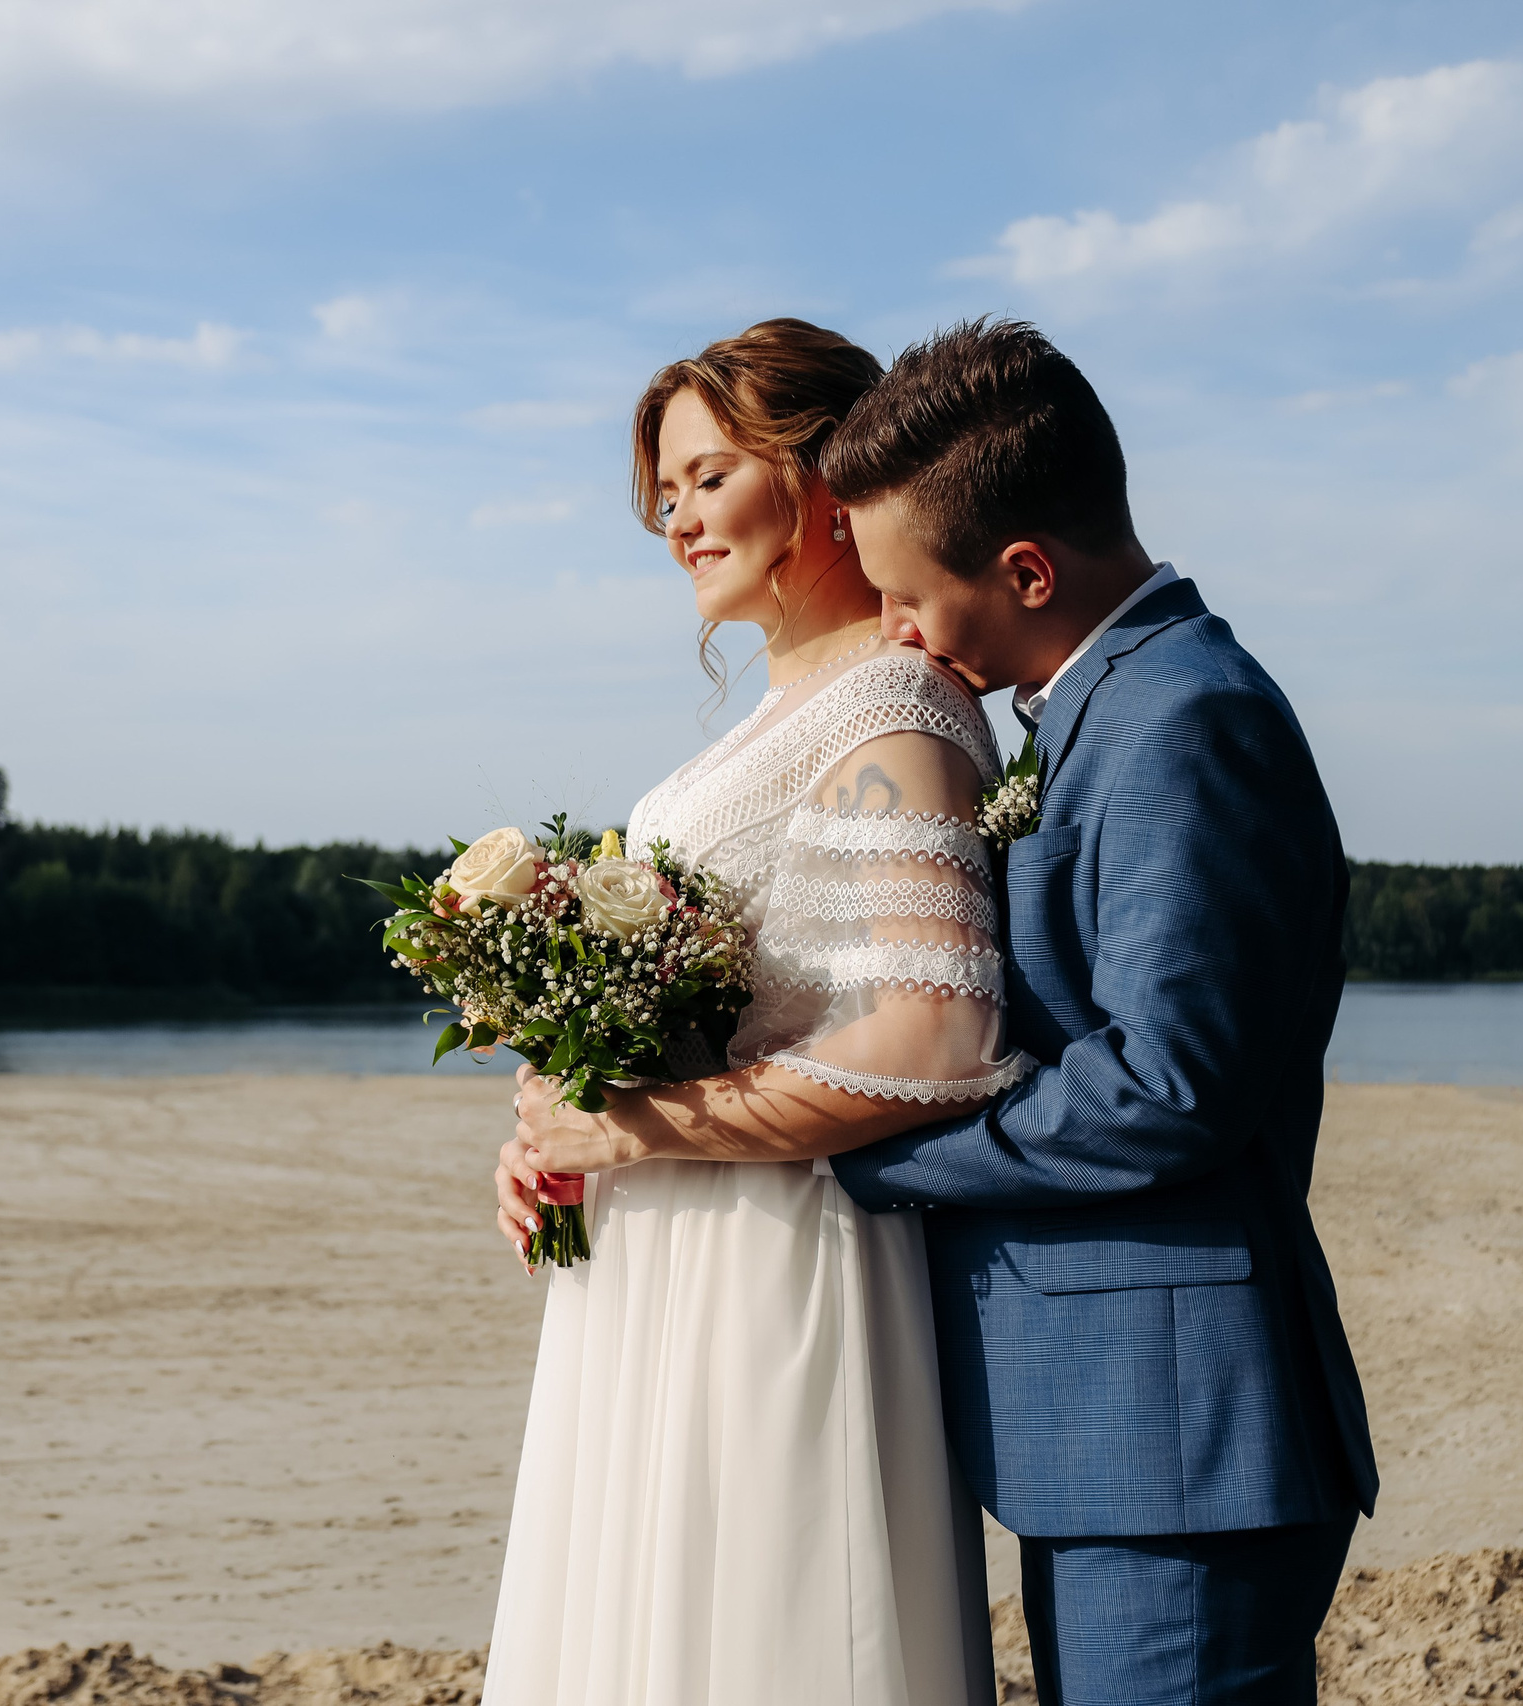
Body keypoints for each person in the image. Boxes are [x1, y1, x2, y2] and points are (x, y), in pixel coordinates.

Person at [508, 319, 1378, 1705]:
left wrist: (857, 1147)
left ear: (1019, 566)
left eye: (913, 589)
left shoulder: (1182, 716)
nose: (907, 628)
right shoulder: (1090, 714)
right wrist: (579, 1095)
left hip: (1181, 1418)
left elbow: (1165, 1083)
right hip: (1102, 1415)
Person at [480, 318, 1014, 1706]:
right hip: (659, 1260)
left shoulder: (889, 709)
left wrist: (633, 1118)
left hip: (779, 1259)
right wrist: (553, 1117)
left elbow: (928, 1033)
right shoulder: (765, 724)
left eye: (710, 477)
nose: (679, 521)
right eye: (667, 495)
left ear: (825, 472)